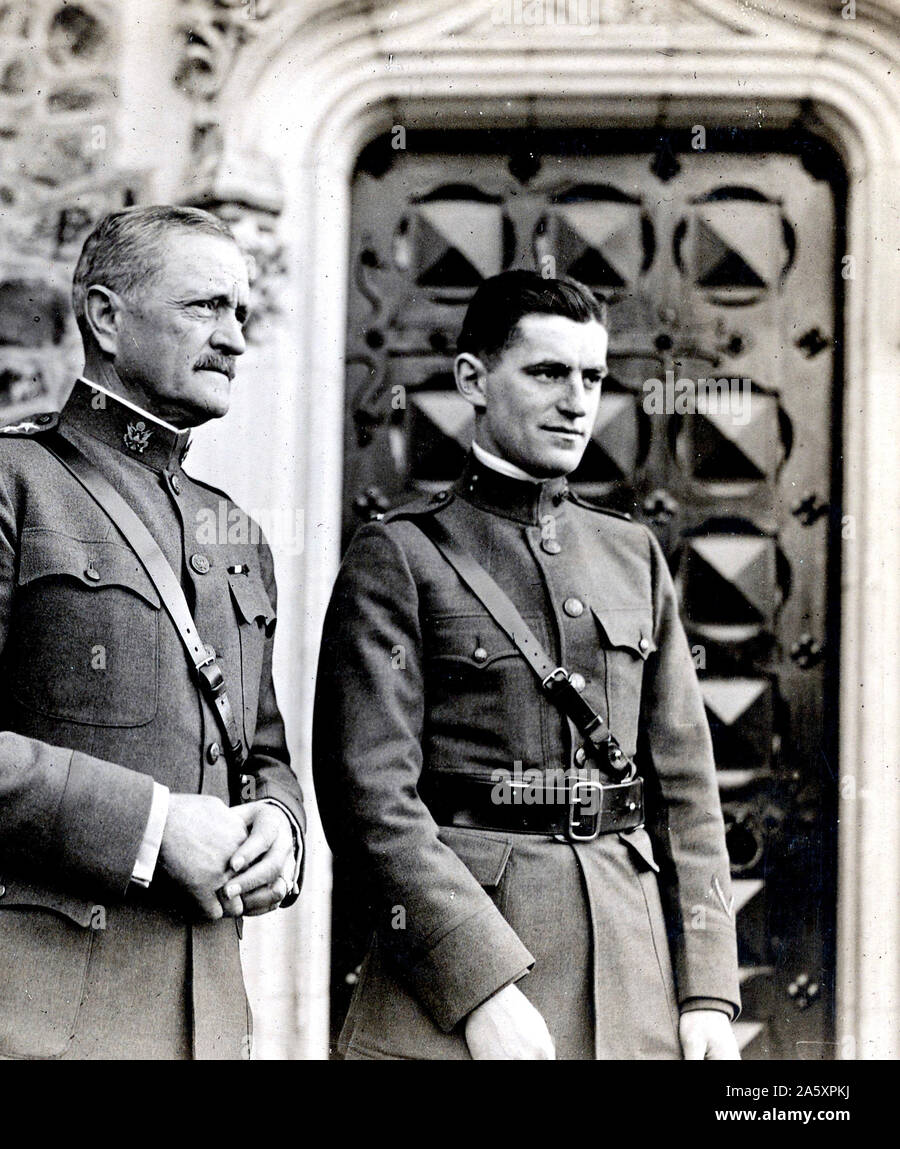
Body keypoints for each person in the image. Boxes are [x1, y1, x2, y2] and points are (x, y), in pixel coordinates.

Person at [0, 205, 304, 1061]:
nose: (235, 339)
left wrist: (280, 827)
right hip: (13, 1009)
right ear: (105, 315)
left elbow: (262, 749)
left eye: (241, 313)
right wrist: (153, 825)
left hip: (195, 1014)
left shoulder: (233, 531)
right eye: (206, 307)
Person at [314, 269, 740, 1060]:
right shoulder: (401, 557)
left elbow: (686, 790)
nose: (578, 400)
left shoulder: (633, 554)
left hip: (630, 967)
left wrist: (708, 987)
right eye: (547, 372)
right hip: (458, 979)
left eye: (592, 376)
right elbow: (369, 799)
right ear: (473, 379)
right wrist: (476, 984)